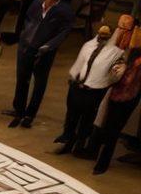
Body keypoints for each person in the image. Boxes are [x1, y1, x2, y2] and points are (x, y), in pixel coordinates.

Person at [8, 0, 74, 129]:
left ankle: (30, 115)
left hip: (44, 52)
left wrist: (49, 46)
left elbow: (64, 32)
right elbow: (27, 19)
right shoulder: (37, 3)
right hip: (26, 47)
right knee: (22, 79)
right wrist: (24, 38)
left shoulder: (64, 11)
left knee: (39, 83)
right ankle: (19, 110)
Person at [55, 25, 124, 154]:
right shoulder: (88, 45)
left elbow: (115, 75)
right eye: (101, 34)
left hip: (94, 91)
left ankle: (79, 145)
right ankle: (67, 141)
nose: (102, 37)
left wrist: (114, 75)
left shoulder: (116, 53)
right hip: (77, 86)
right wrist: (73, 77)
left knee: (87, 119)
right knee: (71, 116)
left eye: (106, 35)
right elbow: (80, 63)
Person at [89, 46, 141, 174]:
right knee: (110, 128)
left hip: (126, 96)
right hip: (121, 94)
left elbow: (127, 78)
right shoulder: (133, 52)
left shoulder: (134, 55)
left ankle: (101, 162)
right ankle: (100, 160)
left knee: (112, 130)